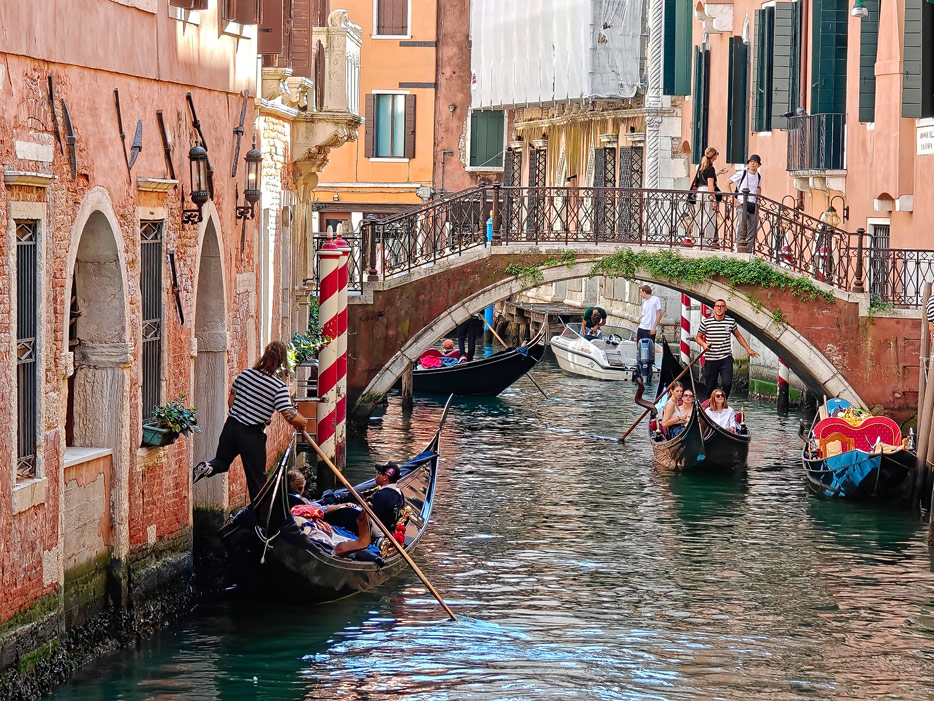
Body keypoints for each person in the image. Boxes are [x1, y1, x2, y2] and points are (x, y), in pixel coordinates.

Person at [192, 341, 308, 501]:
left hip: (231, 427)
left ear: (264, 356)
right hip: (252, 435)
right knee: (257, 483)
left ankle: (207, 467)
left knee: (221, 462)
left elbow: (231, 402)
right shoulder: (278, 387)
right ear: (281, 362)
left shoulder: (245, 375)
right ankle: (260, 524)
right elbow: (288, 414)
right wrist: (303, 423)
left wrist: (245, 412)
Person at [323, 461, 406, 557]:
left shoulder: (382, 496)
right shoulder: (399, 492)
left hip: (379, 531)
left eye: (379, 473)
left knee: (353, 511)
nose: (376, 475)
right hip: (389, 527)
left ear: (385, 477)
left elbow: (368, 515)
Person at [696, 299, 759, 400]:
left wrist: (748, 349)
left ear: (725, 308)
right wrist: (704, 344)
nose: (719, 308)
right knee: (710, 386)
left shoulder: (730, 321)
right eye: (717, 306)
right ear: (714, 308)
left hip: (726, 358)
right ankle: (710, 406)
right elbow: (698, 337)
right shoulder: (706, 322)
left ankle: (723, 401)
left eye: (722, 306)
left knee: (727, 383)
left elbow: (738, 336)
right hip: (711, 359)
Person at [693, 147, 728, 246]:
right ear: (714, 156)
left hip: (699, 193)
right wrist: (713, 200)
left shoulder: (701, 166)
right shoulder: (711, 168)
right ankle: (705, 242)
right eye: (717, 153)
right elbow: (710, 185)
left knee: (699, 217)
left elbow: (705, 178)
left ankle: (697, 241)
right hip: (707, 193)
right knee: (708, 218)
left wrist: (718, 173)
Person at [730, 154, 762, 249]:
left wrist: (758, 199)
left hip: (753, 204)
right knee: (742, 225)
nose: (752, 164)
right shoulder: (742, 173)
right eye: (751, 162)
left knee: (753, 227)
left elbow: (758, 188)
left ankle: (748, 249)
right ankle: (738, 247)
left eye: (755, 162)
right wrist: (734, 199)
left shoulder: (759, 176)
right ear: (748, 164)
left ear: (758, 165)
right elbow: (727, 183)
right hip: (741, 203)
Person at [636, 285, 662, 382]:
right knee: (639, 349)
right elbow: (643, 316)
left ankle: (649, 368)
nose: (640, 294)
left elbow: (659, 314)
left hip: (650, 328)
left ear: (644, 291)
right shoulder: (645, 302)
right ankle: (639, 369)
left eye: (640, 292)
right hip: (642, 327)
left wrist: (654, 327)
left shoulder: (655, 300)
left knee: (649, 349)